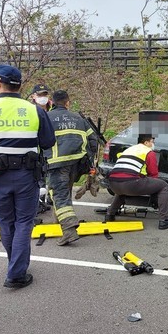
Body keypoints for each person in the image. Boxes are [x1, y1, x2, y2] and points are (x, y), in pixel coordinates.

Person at [0, 64, 55, 289]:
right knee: (24, 222)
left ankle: (14, 266)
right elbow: (48, 142)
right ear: (20, 86)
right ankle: (16, 273)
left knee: (6, 221)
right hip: (27, 175)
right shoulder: (35, 111)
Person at [44, 90, 98, 246]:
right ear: (67, 103)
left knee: (59, 195)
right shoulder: (79, 118)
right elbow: (93, 140)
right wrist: (87, 157)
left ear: (52, 103)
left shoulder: (46, 118)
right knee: (65, 192)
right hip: (76, 163)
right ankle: (60, 221)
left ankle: (69, 230)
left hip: (56, 163)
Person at [106, 134, 168, 230]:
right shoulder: (148, 152)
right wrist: (154, 197)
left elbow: (124, 171)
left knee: (122, 190)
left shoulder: (129, 150)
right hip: (131, 183)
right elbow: (153, 174)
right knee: (163, 186)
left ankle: (110, 214)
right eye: (152, 141)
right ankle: (164, 220)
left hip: (113, 183)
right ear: (146, 142)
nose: (153, 144)